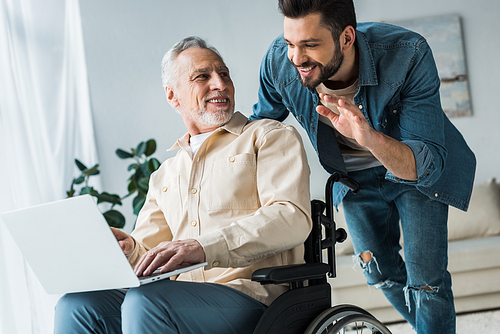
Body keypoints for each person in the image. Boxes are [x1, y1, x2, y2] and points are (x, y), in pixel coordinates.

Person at [54, 36, 312, 334]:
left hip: (255, 301)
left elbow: (290, 217)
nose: (220, 83)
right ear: (172, 96)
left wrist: (203, 248)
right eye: (203, 76)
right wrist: (127, 249)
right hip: (172, 301)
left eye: (224, 73)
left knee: (146, 302)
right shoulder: (164, 174)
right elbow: (148, 253)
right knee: (76, 306)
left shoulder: (268, 136)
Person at [251, 0, 476, 333]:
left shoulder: (408, 53)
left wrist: (370, 138)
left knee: (427, 285)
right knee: (379, 275)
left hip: (412, 176)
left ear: (346, 38)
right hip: (353, 181)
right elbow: (259, 127)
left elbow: (424, 164)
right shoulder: (278, 64)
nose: (296, 58)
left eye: (310, 45)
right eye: (290, 44)